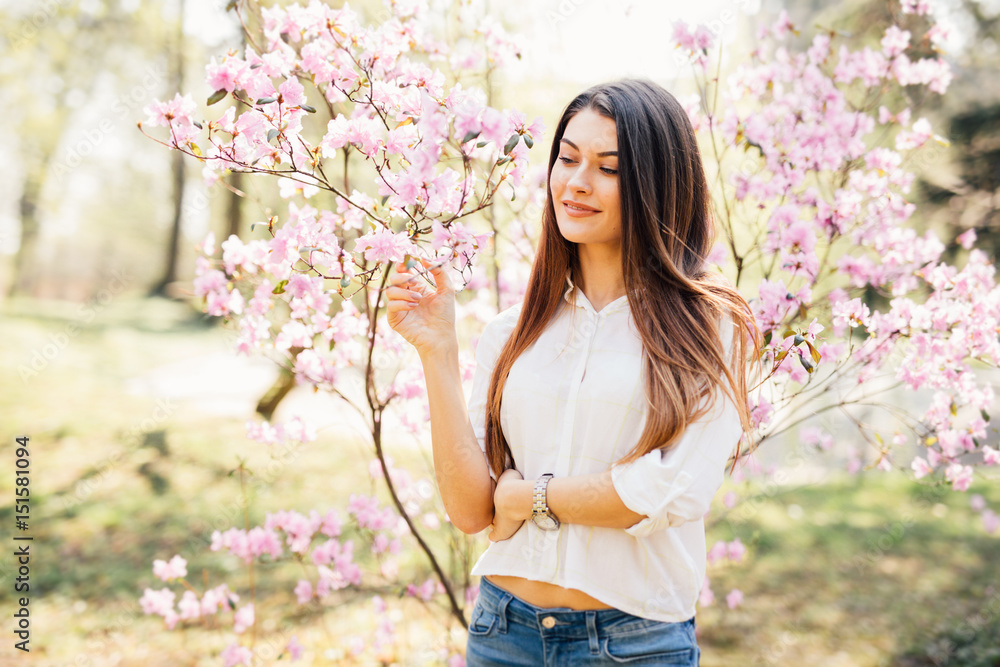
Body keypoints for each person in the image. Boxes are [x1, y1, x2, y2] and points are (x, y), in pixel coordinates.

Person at [386, 79, 759, 666]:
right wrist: (437, 352)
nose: (577, 183)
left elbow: (665, 494)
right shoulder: (512, 332)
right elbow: (472, 510)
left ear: (657, 186)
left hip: (633, 644)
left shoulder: (710, 328)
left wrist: (528, 498)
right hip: (502, 632)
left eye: (609, 168)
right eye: (567, 158)